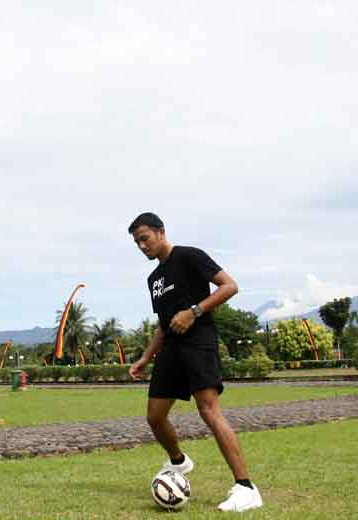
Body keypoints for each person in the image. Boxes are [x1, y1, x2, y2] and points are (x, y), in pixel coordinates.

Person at [127, 212, 262, 513]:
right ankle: (178, 461)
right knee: (154, 416)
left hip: (198, 342)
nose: (142, 246)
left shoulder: (189, 256)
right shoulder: (153, 279)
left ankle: (245, 488)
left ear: (161, 232)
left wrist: (194, 312)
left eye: (144, 238)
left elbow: (229, 286)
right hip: (170, 349)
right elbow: (164, 324)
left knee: (209, 410)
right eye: (137, 243)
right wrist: (146, 356)